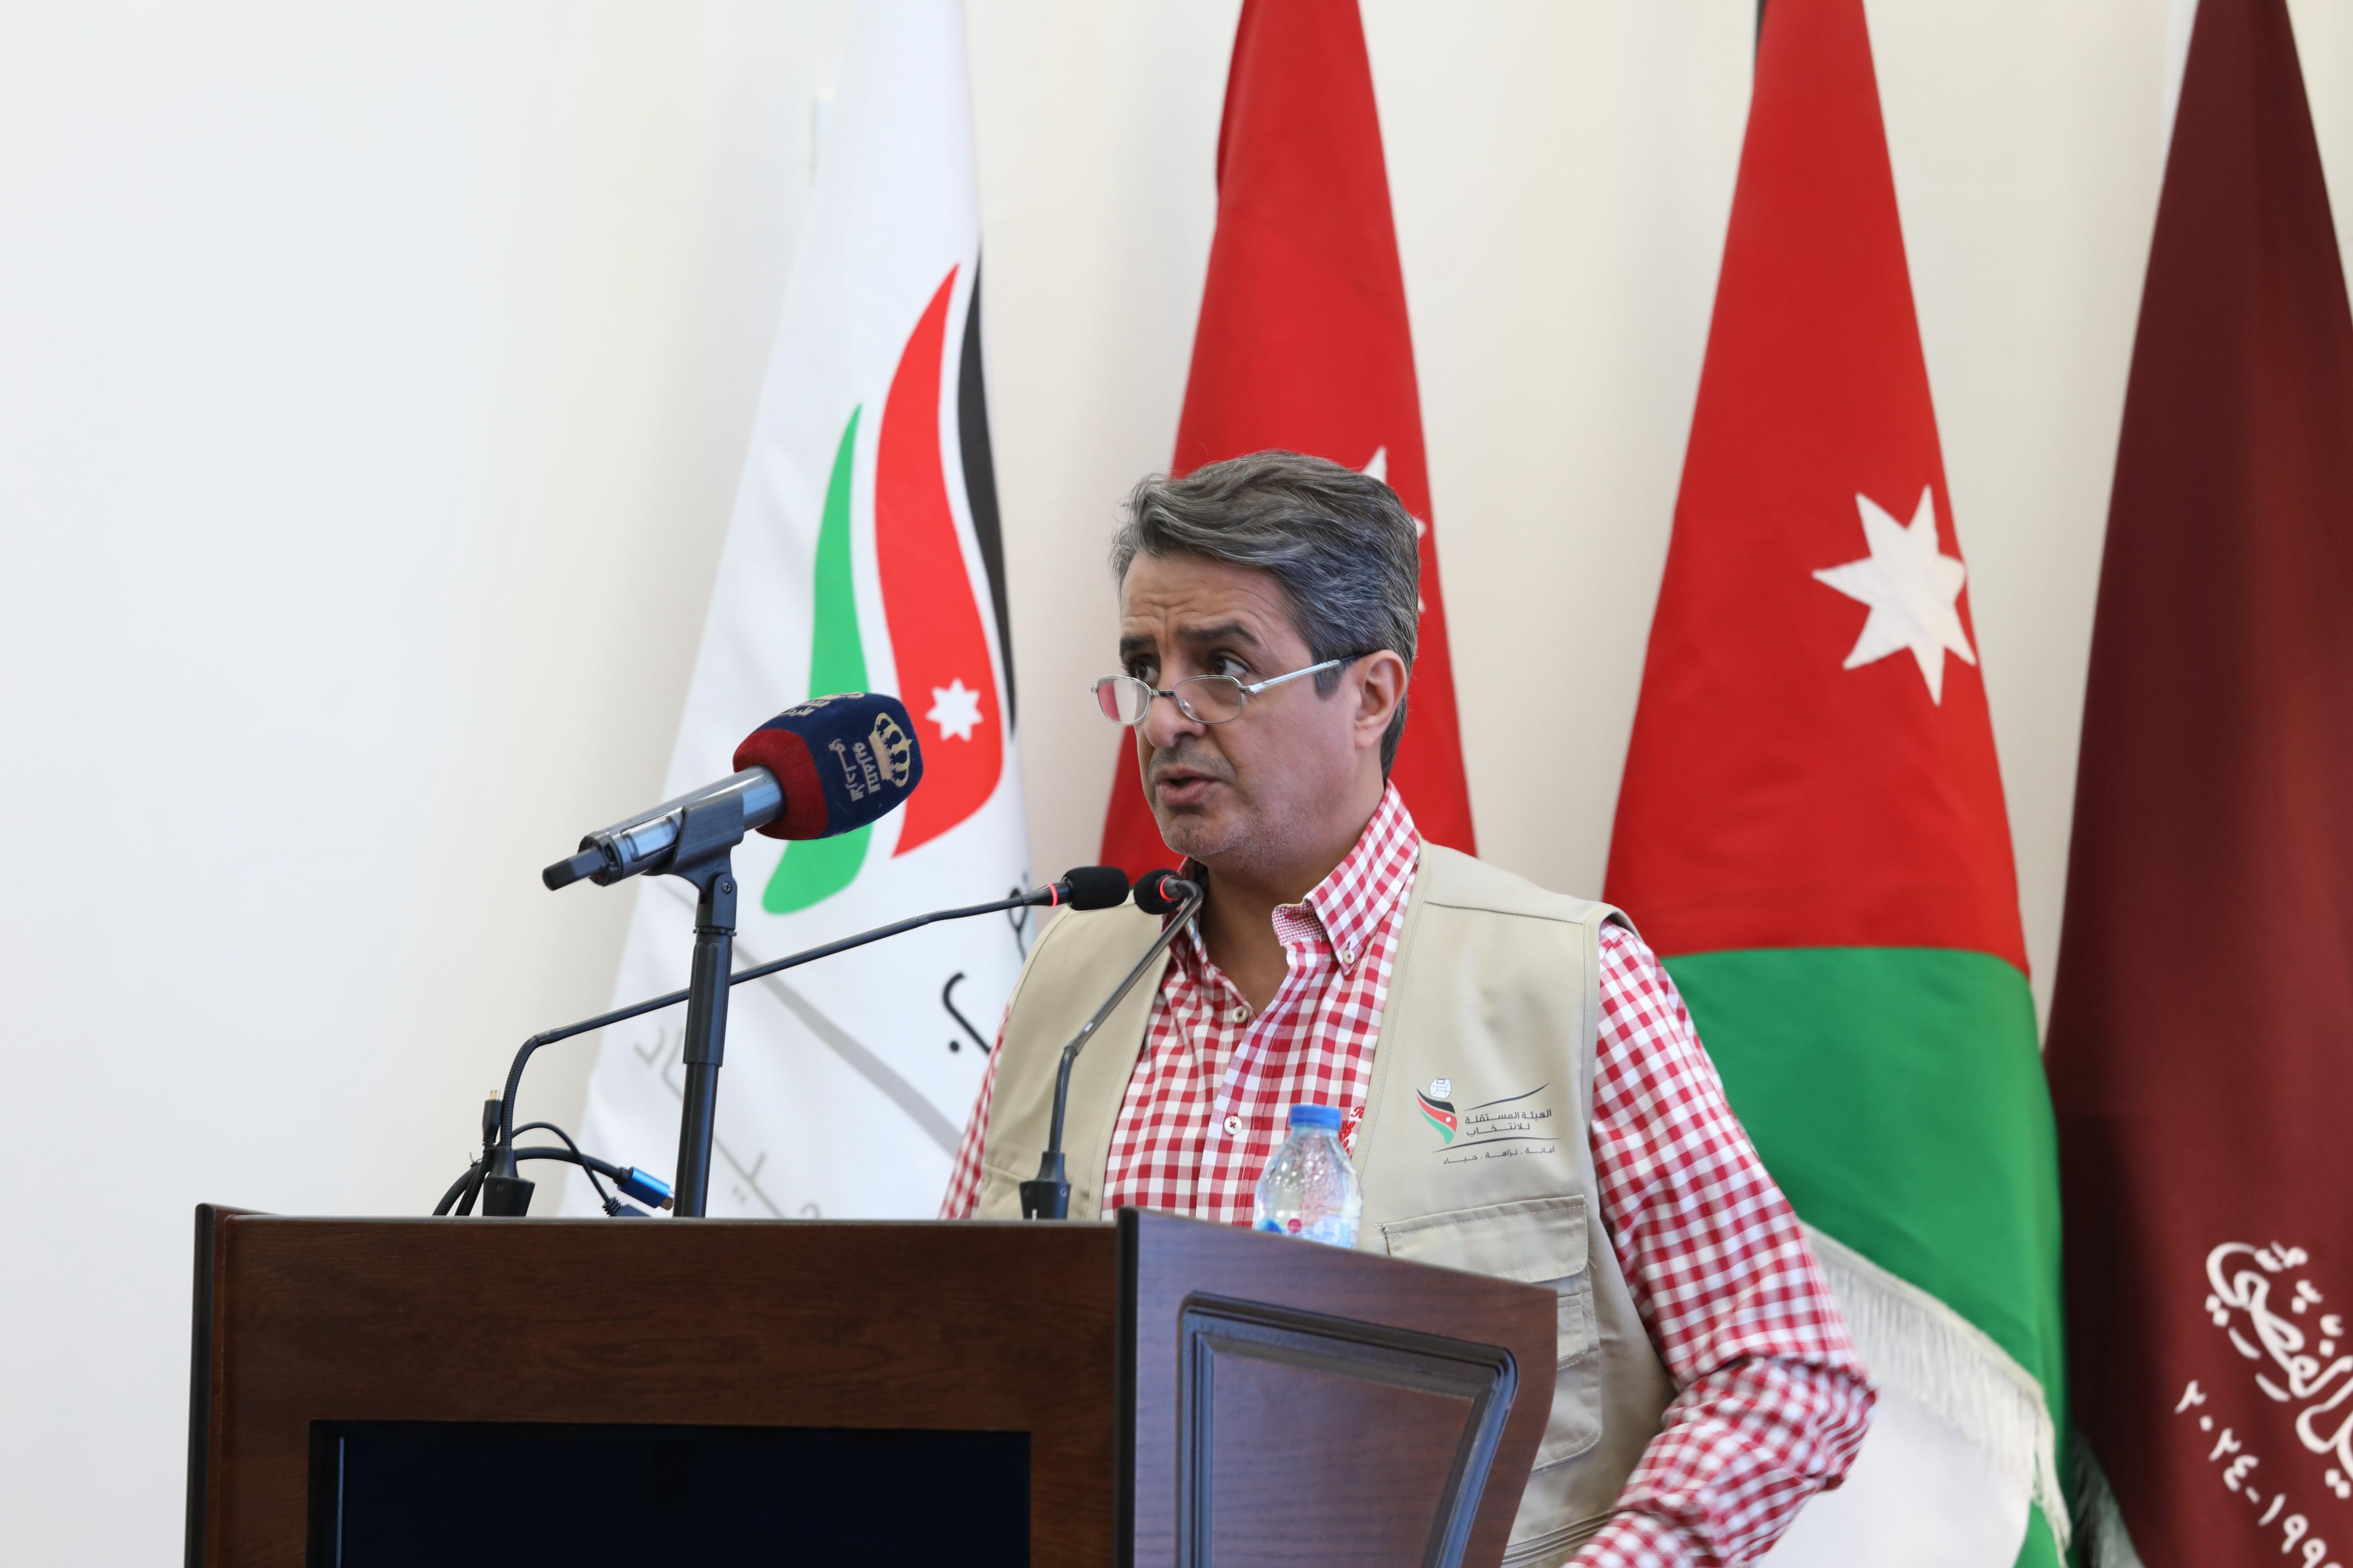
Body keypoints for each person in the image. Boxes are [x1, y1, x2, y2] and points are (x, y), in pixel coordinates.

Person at [941, 450, 1872, 1566]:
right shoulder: (1073, 979)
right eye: (1146, 668)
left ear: (1370, 694)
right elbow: (949, 1350)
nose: (1162, 720)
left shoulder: (1566, 982)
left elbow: (1784, 1367)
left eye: (1224, 667)